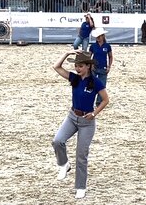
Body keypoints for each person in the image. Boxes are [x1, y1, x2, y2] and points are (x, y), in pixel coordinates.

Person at [52, 50, 109, 199]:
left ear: (88, 66)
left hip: (87, 122)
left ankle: (80, 187)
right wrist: (66, 54)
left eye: (80, 66)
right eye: (76, 65)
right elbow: (56, 67)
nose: (77, 69)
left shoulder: (96, 81)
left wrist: (94, 113)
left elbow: (105, 100)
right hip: (72, 117)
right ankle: (64, 164)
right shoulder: (74, 78)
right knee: (57, 141)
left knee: (81, 155)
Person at [89, 27, 113, 107]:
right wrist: (91, 65)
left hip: (103, 68)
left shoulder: (107, 46)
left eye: (99, 36)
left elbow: (110, 56)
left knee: (102, 85)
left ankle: (99, 102)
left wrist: (109, 66)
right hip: (94, 68)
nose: (98, 38)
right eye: (97, 37)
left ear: (102, 36)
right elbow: (89, 56)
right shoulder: (93, 46)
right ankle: (91, 101)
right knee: (92, 84)